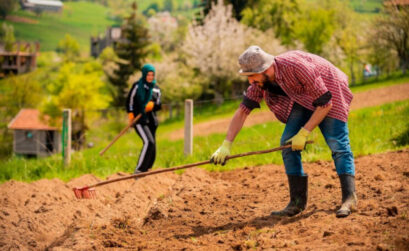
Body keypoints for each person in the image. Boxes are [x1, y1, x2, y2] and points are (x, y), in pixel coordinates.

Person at [210, 46, 356, 218]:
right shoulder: (260, 82)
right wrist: (226, 144)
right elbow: (243, 111)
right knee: (287, 144)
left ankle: (349, 199)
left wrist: (304, 133)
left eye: (251, 76)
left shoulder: (297, 66)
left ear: (265, 69)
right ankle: (297, 203)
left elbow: (325, 104)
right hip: (301, 97)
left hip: (330, 91)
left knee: (337, 143)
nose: (250, 81)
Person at [126, 64, 162, 174]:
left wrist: (153, 106)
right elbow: (129, 102)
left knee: (153, 146)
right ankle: (139, 169)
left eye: (152, 75)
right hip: (139, 120)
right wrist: (131, 114)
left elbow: (159, 105)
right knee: (148, 142)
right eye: (148, 75)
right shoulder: (137, 86)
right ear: (144, 74)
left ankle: (147, 170)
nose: (150, 77)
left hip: (151, 121)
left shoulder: (156, 89)